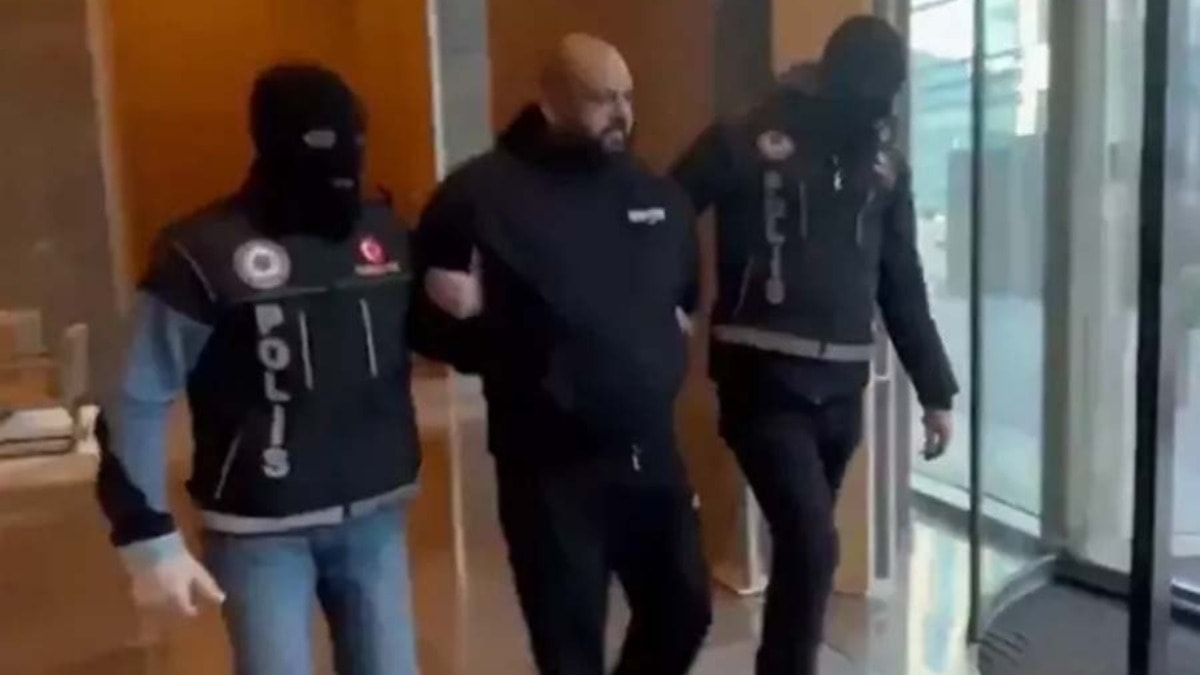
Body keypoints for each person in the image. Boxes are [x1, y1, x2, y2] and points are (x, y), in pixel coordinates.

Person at [95, 64, 422, 675]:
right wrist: (147, 534)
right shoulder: (202, 252)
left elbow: (440, 334)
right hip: (260, 528)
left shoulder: (388, 236)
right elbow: (136, 396)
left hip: (376, 513)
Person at [414, 33, 711, 675]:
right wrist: (483, 326)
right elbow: (424, 327)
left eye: (627, 97)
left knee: (684, 609)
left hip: (649, 451)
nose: (622, 114)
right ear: (550, 101)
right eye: (602, 99)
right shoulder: (479, 197)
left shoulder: (655, 196)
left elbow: (684, 297)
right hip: (548, 467)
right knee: (570, 647)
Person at [670, 16, 958, 675]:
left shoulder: (886, 168)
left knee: (807, 554)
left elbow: (901, 280)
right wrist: (674, 301)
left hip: (842, 392)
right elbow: (665, 211)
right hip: (761, 380)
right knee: (813, 544)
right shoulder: (749, 137)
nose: (880, 108)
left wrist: (936, 391)